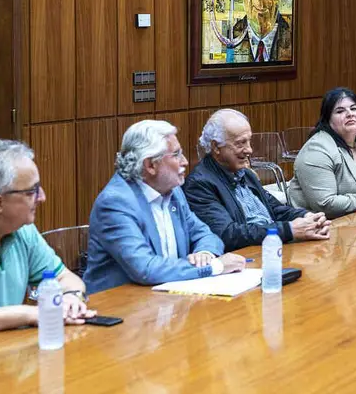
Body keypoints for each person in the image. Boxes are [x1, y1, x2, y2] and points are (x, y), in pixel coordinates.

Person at [85, 120, 246, 294]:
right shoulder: (116, 203)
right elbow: (145, 268)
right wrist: (214, 266)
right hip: (119, 308)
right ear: (150, 165)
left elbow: (205, 234)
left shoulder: (173, 190)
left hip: (166, 300)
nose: (184, 162)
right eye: (176, 155)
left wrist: (205, 254)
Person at [0, 140, 95, 334]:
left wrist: (71, 298)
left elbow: (64, 277)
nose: (42, 197)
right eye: (31, 191)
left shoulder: (23, 231)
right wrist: (30, 314)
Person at [183, 109, 330, 251]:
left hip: (271, 249)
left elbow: (274, 209)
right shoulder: (199, 184)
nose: (249, 150)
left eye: (249, 141)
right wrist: (290, 230)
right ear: (216, 147)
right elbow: (228, 235)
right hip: (244, 260)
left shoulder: (245, 173)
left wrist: (307, 217)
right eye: (241, 143)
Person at [288, 88, 356, 219]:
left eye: (354, 109)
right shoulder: (317, 150)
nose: (350, 114)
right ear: (327, 120)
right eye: (340, 111)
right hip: (331, 230)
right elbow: (325, 204)